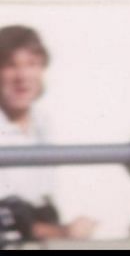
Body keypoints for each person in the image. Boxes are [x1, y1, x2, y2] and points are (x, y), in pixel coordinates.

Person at [0, 26, 96, 240]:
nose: (22, 76)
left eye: (32, 65)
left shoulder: (44, 122)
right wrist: (64, 232)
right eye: (10, 65)